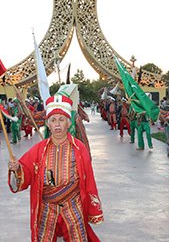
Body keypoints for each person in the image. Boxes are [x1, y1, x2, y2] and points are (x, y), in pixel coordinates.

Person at [7, 94, 103, 241]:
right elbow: (25, 171)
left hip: (73, 205)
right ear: (48, 124)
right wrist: (16, 168)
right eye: (53, 120)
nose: (57, 124)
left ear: (68, 123)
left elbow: (89, 179)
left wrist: (93, 208)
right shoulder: (39, 149)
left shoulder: (79, 148)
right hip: (47, 207)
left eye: (61, 120)